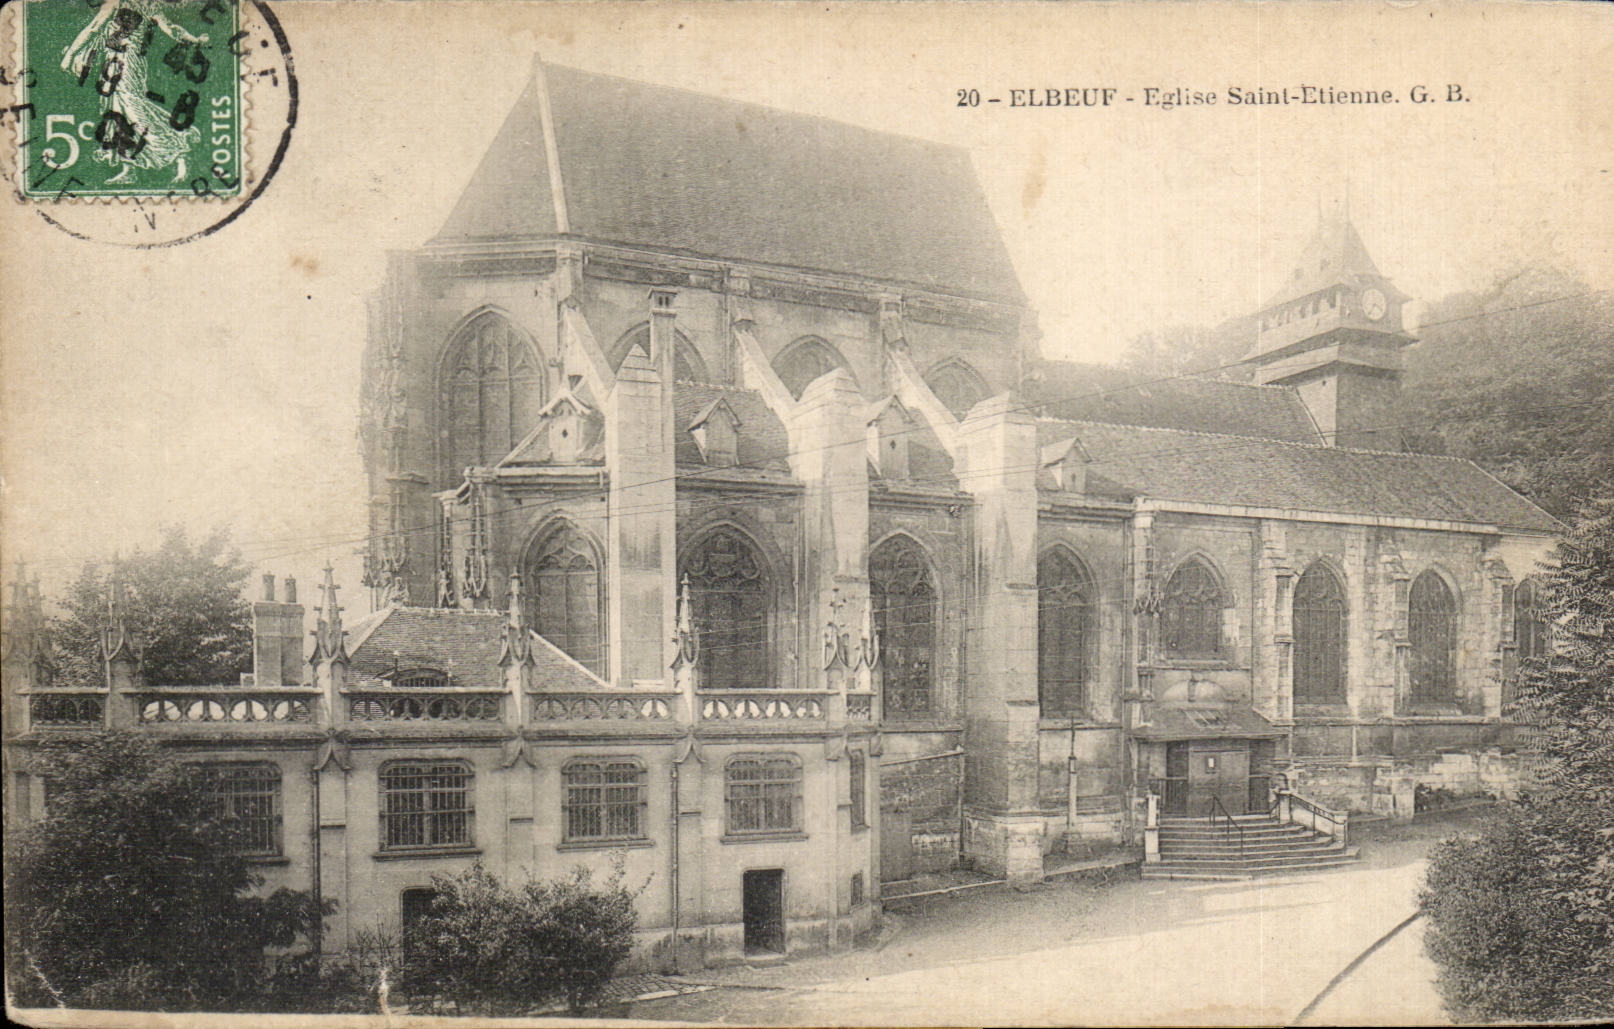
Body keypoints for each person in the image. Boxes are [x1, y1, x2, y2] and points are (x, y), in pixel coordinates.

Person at [60, 0, 209, 184]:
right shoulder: (124, 3)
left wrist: (70, 55)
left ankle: (177, 150)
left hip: (128, 65)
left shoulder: (147, 5)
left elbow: (171, 29)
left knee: (133, 112)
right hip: (113, 64)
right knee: (117, 112)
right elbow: (95, 28)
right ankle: (128, 168)